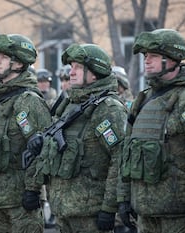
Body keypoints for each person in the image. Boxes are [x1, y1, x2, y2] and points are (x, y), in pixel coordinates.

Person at [117, 28, 185, 233]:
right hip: (145, 214)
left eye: (153, 55)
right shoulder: (143, 99)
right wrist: (124, 198)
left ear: (172, 58)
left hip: (179, 216)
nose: (146, 60)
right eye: (145, 56)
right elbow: (127, 152)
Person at [28, 43, 128, 233]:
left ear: (94, 72)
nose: (71, 72)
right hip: (63, 210)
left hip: (90, 214)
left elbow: (119, 160)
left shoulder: (107, 109)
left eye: (78, 68)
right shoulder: (69, 105)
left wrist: (109, 208)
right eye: (71, 66)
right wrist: (33, 187)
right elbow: (51, 151)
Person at [0, 33, 52, 233]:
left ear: (17, 64)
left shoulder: (27, 101)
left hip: (20, 201)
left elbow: (41, 151)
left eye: (3, 57)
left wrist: (33, 190)